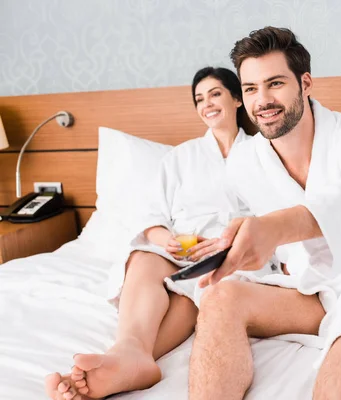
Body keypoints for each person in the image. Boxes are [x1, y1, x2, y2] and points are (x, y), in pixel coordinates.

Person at [187, 27, 341, 400]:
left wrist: (274, 228)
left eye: (275, 83)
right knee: (220, 298)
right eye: (251, 88)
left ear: (305, 83)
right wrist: (240, 244)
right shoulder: (243, 161)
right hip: (305, 289)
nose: (263, 101)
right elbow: (253, 234)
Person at [44, 67, 265, 400]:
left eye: (215, 94)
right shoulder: (180, 158)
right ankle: (128, 352)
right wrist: (166, 241)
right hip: (178, 248)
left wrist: (231, 242)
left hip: (230, 254)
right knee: (144, 257)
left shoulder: (264, 153)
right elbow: (150, 216)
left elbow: (275, 214)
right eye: (199, 99)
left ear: (237, 99)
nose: (207, 104)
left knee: (196, 292)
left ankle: (120, 366)